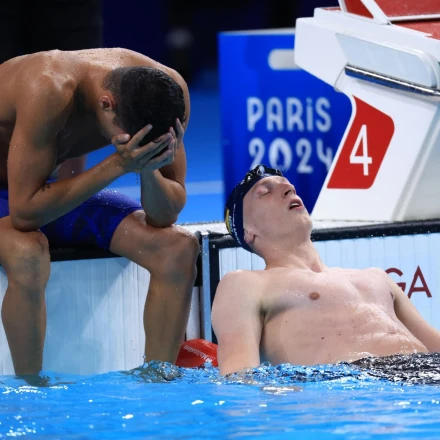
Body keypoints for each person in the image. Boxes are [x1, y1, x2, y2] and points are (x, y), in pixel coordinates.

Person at [0, 48, 200, 375]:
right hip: (24, 199)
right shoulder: (48, 86)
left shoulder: (168, 91)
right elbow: (24, 214)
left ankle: (158, 382)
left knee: (178, 247)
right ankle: (31, 389)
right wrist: (119, 164)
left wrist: (147, 167)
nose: (137, 148)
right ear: (107, 104)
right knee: (27, 252)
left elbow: (164, 216)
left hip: (37, 189)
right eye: (133, 141)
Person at [212, 164, 440, 376]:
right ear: (247, 231)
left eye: (288, 185)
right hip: (359, 385)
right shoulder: (245, 284)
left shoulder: (377, 276)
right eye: (264, 192)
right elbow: (240, 377)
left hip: (427, 374)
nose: (288, 188)